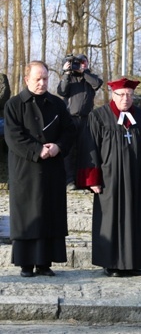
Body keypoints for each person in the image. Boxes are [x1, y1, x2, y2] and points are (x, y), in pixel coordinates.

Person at [76, 77, 141, 278]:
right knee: (110, 220)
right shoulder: (99, 116)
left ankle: (133, 263)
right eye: (121, 94)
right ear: (113, 95)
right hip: (109, 179)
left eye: (130, 95)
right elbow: (90, 148)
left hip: (136, 179)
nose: (126, 99)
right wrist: (93, 179)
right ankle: (111, 263)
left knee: (136, 219)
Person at [4, 61, 75, 277]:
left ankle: (44, 263)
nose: (42, 83)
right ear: (27, 80)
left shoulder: (57, 104)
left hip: (52, 169)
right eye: (38, 79)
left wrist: (58, 147)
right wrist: (37, 150)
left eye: (45, 78)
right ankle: (26, 264)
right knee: (28, 216)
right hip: (25, 170)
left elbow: (69, 130)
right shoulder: (14, 105)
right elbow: (13, 136)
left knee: (49, 214)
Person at [56, 54, 103, 190]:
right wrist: (66, 73)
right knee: (69, 150)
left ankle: (86, 180)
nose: (78, 65)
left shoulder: (90, 78)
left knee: (88, 150)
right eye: (76, 63)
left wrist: (84, 71)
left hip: (87, 119)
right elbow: (62, 91)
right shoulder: (69, 78)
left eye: (82, 62)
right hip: (70, 118)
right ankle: (69, 181)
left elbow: (97, 84)